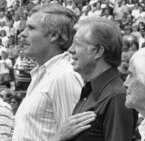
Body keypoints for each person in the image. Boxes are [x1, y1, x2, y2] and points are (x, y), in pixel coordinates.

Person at [12, 4, 91, 141]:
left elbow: (74, 137)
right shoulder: (43, 74)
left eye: (31, 28)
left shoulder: (64, 76)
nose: (22, 33)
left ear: (54, 35)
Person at [61, 17, 138, 141]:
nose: (71, 50)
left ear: (97, 51)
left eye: (77, 44)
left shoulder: (116, 97)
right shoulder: (91, 90)